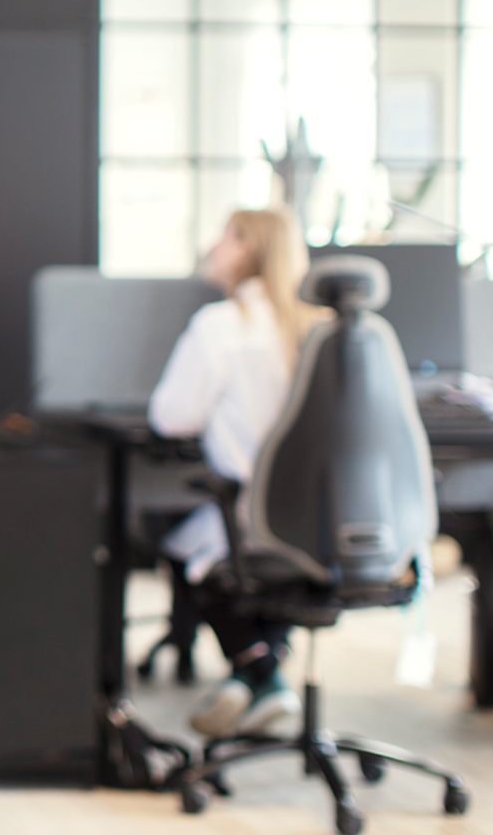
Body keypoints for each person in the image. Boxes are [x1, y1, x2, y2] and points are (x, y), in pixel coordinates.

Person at [149, 208, 327, 739]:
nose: (214, 245)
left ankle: (260, 676)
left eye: (226, 237)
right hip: (328, 527)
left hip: (252, 521)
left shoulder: (222, 327)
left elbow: (171, 416)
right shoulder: (322, 330)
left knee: (181, 544)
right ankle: (262, 677)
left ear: (247, 249)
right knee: (258, 560)